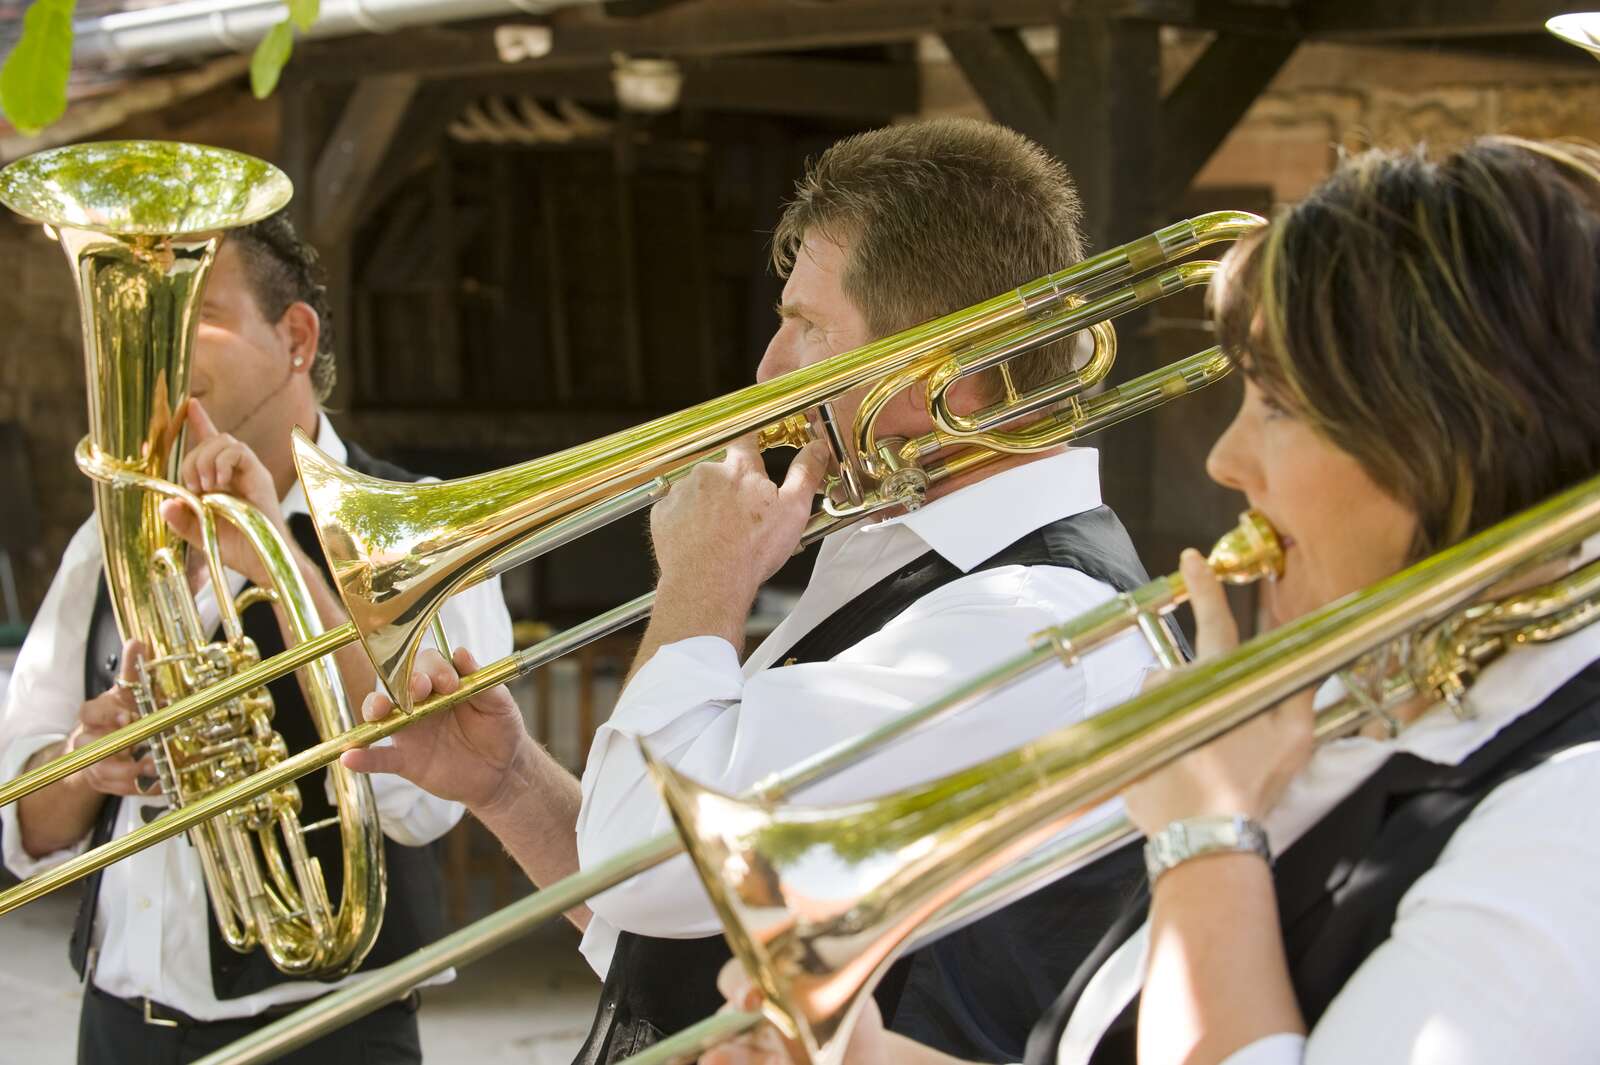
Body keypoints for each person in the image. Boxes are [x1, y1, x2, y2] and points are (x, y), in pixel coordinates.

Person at [707, 134, 1600, 1065]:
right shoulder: (1366, 697)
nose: (1225, 460)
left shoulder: (1575, 816)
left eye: (1279, 407)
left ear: (1457, 439)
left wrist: (1205, 828)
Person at [345, 117, 1167, 1065]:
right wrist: (509, 783)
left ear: (963, 370)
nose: (771, 371)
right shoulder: (906, 557)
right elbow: (686, 926)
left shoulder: (1031, 625)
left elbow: (647, 863)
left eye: (810, 326)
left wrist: (700, 583)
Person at [0, 212, 513, 1064]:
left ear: (297, 337)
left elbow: (429, 802)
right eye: (144, 322)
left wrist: (283, 564)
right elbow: (23, 826)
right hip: (117, 1027)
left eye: (196, 315)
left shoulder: (412, 526)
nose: (159, 353)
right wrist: (82, 762)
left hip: (328, 1033)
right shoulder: (114, 537)